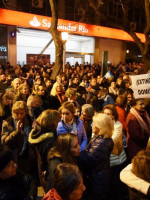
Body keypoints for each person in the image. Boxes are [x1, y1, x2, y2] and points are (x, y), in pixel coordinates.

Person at [78, 113, 114, 200]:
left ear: (100, 126)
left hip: (96, 182)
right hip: (99, 178)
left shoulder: (100, 144)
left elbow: (86, 162)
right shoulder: (102, 138)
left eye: (93, 123)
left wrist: (77, 152)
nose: (91, 124)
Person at [28, 109, 61, 191]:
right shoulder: (51, 141)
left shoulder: (36, 134)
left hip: (41, 172)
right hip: (48, 175)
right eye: (59, 121)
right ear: (53, 123)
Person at [102, 104, 128, 200]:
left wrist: (101, 140)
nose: (106, 115)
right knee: (109, 184)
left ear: (113, 116)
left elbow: (113, 140)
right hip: (106, 159)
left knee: (117, 183)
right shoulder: (101, 124)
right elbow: (93, 137)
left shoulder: (118, 125)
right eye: (104, 113)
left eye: (108, 114)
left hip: (117, 159)